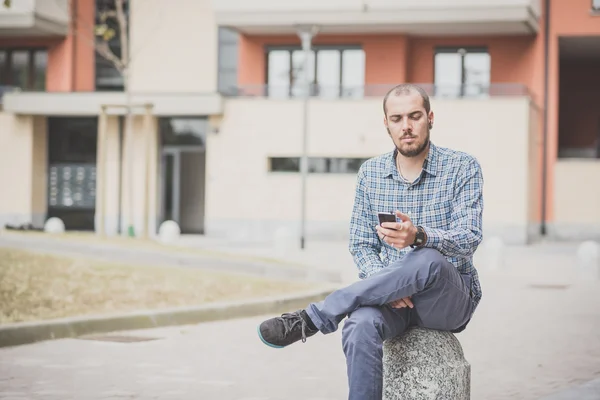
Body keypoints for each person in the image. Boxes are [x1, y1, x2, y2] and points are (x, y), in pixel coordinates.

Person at [257, 83, 484, 400]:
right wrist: (387, 284)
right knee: (360, 323)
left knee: (427, 258)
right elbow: (362, 245)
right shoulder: (371, 174)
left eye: (415, 116)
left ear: (430, 118)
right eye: (397, 118)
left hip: (446, 299)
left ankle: (315, 317)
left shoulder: (462, 167)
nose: (406, 126)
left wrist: (418, 236)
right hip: (391, 298)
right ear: (386, 124)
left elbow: (469, 237)